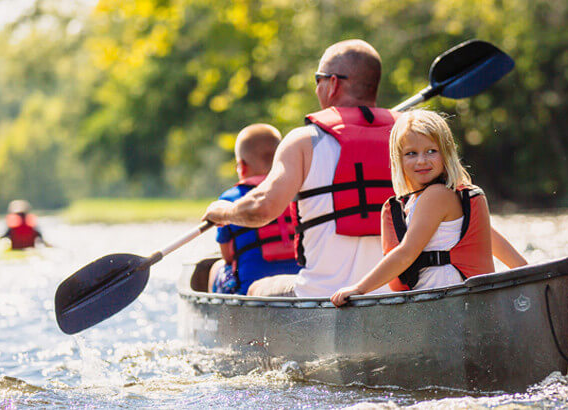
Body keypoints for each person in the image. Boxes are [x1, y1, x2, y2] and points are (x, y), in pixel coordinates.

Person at [202, 39, 398, 297]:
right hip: (396, 292)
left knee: (256, 288)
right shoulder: (408, 137)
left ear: (333, 83)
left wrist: (223, 212)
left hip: (321, 293)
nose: (317, 88)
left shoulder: (304, 140)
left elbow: (262, 208)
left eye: (318, 80)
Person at [330, 110, 527, 306]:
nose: (421, 161)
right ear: (398, 159)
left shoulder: (436, 195)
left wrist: (359, 288)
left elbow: (406, 253)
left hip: (447, 305)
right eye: (411, 154)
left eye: (431, 151)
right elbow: (491, 239)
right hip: (453, 305)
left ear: (446, 152)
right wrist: (525, 272)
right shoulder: (435, 197)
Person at [209, 124, 301, 295]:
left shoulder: (230, 200)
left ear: (242, 166)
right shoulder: (298, 192)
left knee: (216, 268)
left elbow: (228, 257)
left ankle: (217, 320)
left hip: (250, 291)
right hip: (299, 287)